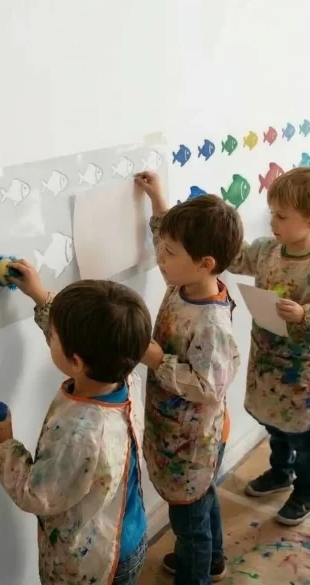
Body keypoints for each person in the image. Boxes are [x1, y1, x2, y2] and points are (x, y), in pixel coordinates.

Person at [0, 275, 150, 585]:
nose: (50, 338)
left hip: (94, 566)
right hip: (128, 536)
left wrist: (4, 444)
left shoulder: (81, 434)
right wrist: (41, 297)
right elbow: (83, 342)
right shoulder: (121, 374)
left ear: (77, 361)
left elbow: (37, 494)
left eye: (53, 335)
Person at [135, 171, 242, 584]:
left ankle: (198, 567)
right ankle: (213, 560)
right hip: (176, 431)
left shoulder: (211, 322)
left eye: (169, 253)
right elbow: (171, 232)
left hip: (193, 440)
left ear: (205, 263)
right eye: (161, 248)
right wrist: (159, 200)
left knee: (188, 520)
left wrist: (157, 358)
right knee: (201, 498)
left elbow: (208, 387)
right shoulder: (187, 279)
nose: (160, 258)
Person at [227, 167, 310, 526]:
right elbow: (236, 259)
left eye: (281, 216)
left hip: (300, 374)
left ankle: (307, 489)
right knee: (273, 422)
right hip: (267, 364)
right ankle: (281, 471)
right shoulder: (267, 250)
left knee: (302, 432)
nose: (273, 223)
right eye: (272, 214)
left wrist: (303, 313)